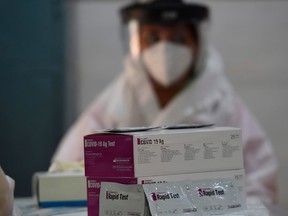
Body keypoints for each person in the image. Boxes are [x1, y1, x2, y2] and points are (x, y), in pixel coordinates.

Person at [52, 0, 278, 204]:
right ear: (135, 42)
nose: (165, 50)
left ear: (197, 44)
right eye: (153, 38)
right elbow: (66, 174)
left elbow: (261, 181)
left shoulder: (221, 101)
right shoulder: (116, 103)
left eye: (179, 38)